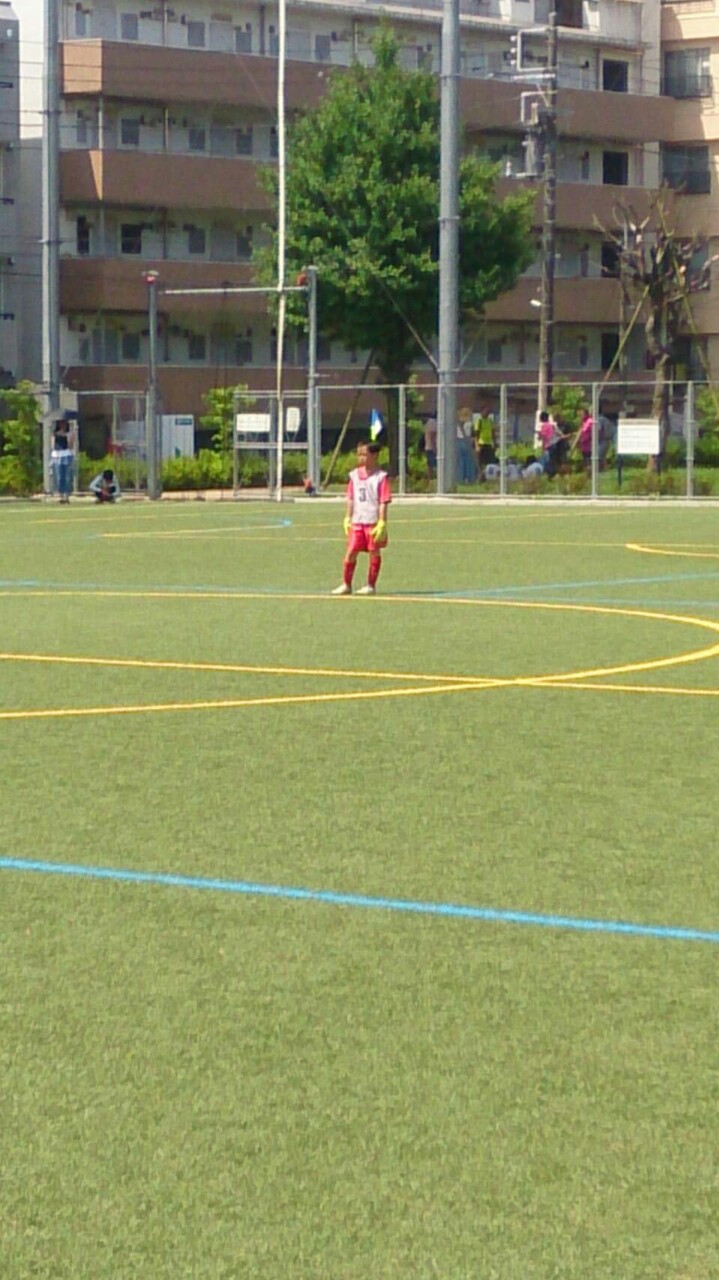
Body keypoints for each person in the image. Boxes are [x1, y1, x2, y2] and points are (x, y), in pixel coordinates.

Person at [332, 441, 391, 596]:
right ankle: (346, 584)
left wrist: (382, 522)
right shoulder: (354, 476)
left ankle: (371, 585)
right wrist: (347, 517)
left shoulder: (381, 477)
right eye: (359, 455)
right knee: (351, 551)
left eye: (365, 454)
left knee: (374, 552)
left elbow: (383, 501)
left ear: (374, 455)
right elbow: (351, 498)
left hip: (372, 522)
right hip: (357, 521)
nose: (361, 458)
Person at [50, 416, 75, 504]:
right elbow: (53, 445)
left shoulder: (69, 433)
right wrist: (58, 435)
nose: (62, 425)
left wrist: (69, 436)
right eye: (61, 423)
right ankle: (61, 494)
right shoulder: (54, 433)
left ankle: (66, 495)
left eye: (64, 423)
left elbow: (70, 445)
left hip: (66, 454)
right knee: (59, 476)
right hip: (57, 455)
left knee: (67, 476)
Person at [456, 408, 477, 483]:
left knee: (460, 461)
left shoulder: (457, 424)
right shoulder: (470, 424)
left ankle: (460, 478)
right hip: (467, 441)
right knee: (469, 461)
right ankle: (470, 478)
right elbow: (473, 435)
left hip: (458, 441)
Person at [423, 415, 437, 481]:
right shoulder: (433, 423)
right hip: (432, 447)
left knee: (430, 464)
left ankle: (430, 478)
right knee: (433, 464)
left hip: (427, 447)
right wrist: (435, 448)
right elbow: (432, 438)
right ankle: (433, 478)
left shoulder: (427, 424)